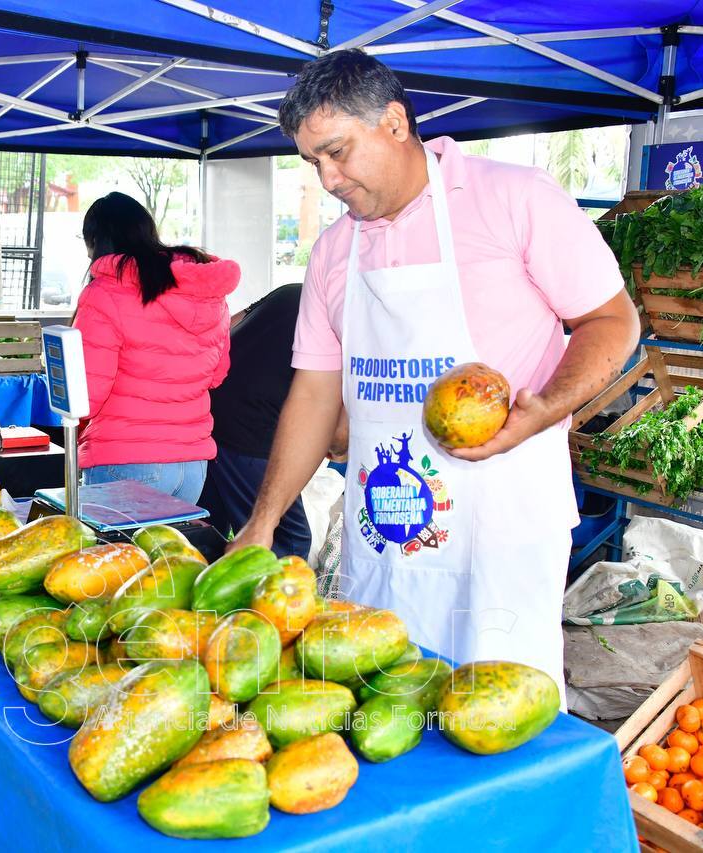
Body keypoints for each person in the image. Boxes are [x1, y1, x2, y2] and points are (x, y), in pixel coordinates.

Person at [230, 51, 639, 692]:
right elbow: (313, 394)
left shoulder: (514, 199)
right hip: (387, 528)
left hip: (500, 529)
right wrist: (262, 522)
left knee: (496, 714)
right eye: (312, 162)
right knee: (383, 705)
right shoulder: (335, 250)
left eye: (337, 152)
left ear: (394, 122)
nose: (328, 179)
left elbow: (613, 321)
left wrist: (548, 407)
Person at [72, 192, 238, 504]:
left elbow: (84, 396)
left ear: (95, 240)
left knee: (115, 555)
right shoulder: (203, 291)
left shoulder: (105, 292)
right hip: (191, 465)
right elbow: (217, 374)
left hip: (124, 459)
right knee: (166, 554)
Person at [198, 284, 313, 559]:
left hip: (208, 413)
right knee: (290, 541)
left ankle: (204, 594)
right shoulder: (339, 312)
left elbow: (230, 324)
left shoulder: (291, 291)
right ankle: (267, 601)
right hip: (250, 429)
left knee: (207, 532)